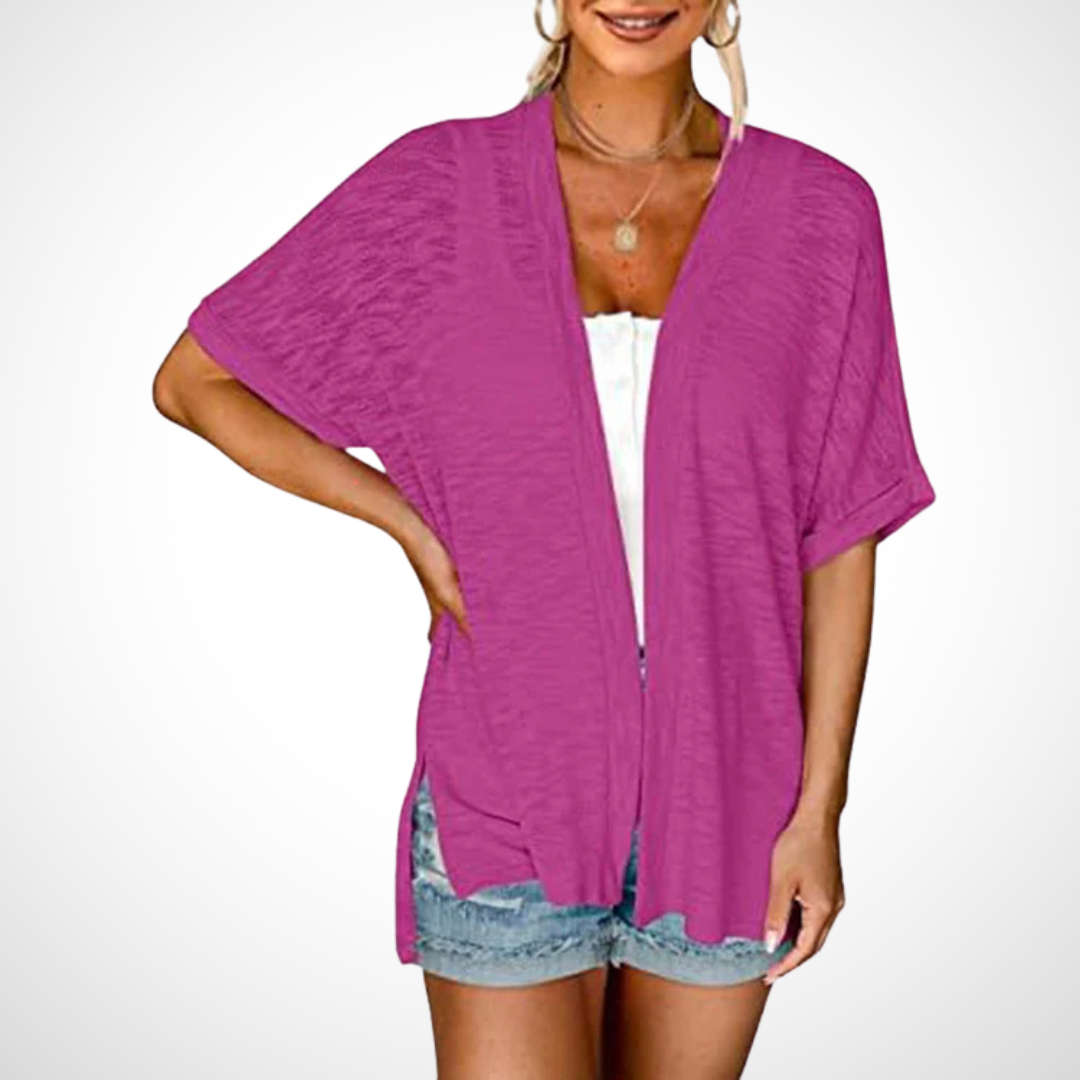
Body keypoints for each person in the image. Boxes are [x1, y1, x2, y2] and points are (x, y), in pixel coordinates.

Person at [152, 1, 936, 1076]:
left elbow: (841, 531)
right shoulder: (438, 190)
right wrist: (406, 523)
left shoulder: (821, 213)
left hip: (732, 788)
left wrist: (820, 811)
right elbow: (196, 381)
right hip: (506, 769)